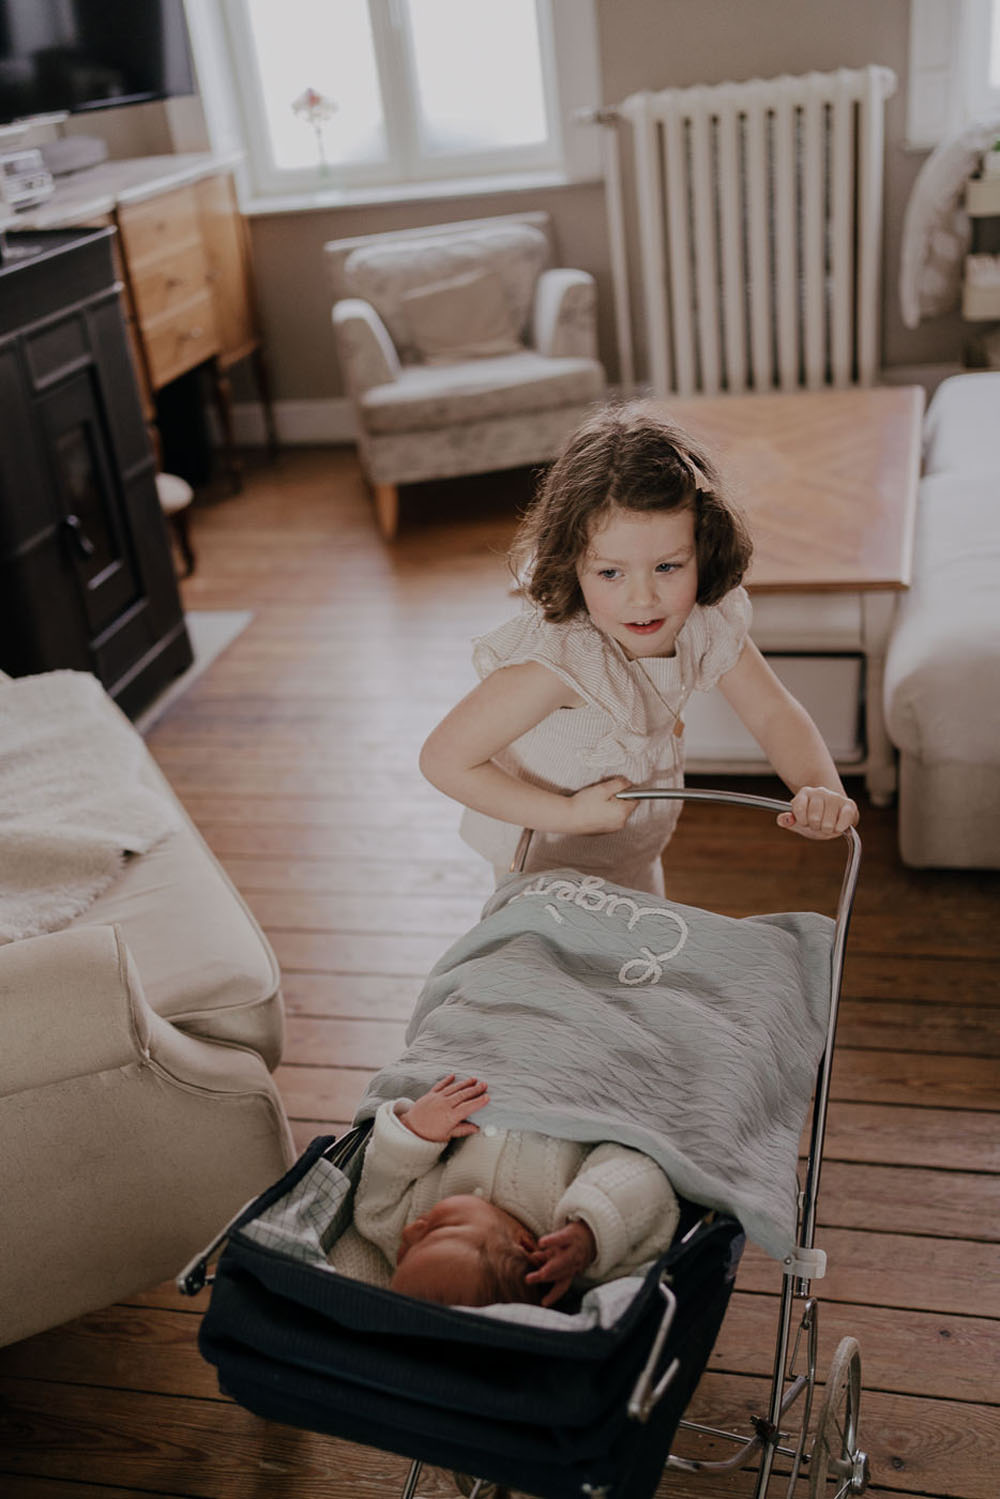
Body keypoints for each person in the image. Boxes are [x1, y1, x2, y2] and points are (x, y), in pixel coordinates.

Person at [419, 402, 859, 896]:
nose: (643, 598)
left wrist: (820, 789)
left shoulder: (706, 621)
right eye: (610, 573)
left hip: (632, 850)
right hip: (540, 867)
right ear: (573, 565)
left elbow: (774, 713)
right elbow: (443, 759)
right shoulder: (560, 664)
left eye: (668, 567)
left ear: (704, 547)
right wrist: (569, 814)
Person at [347, 1074, 681, 1309]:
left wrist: (415, 1131)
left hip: (488, 1064)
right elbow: (645, 1179)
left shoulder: (399, 1229)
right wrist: (590, 1233)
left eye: (402, 1259)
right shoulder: (562, 1230)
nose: (413, 1230)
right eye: (440, 1231)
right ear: (523, 1244)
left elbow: (378, 1188)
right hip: (587, 1085)